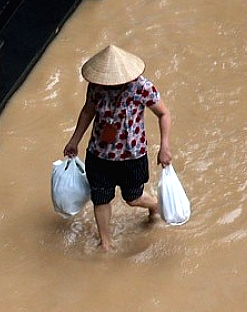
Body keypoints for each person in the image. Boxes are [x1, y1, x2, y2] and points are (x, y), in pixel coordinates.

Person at [63, 44, 172, 252]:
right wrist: (74, 140)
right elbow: (87, 112)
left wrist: (165, 146)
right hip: (99, 154)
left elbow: (164, 114)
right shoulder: (96, 87)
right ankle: (105, 242)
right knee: (100, 196)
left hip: (132, 156)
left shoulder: (142, 87)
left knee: (133, 198)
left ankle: (154, 205)